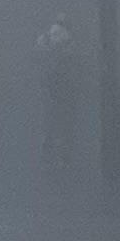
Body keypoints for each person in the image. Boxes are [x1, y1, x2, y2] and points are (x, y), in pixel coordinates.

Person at [35, 16, 83, 179]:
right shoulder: (70, 43)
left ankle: (48, 158)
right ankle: (63, 159)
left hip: (50, 88)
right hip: (64, 89)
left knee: (50, 123)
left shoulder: (44, 42)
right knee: (64, 124)